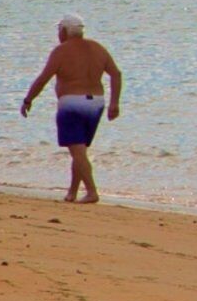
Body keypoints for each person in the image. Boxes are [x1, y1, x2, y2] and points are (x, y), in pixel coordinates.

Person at [19, 17, 124, 203]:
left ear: (64, 31)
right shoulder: (98, 48)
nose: (58, 34)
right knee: (80, 150)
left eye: (59, 30)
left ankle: (92, 192)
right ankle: (72, 192)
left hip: (72, 103)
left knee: (77, 151)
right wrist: (114, 103)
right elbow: (116, 74)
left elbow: (44, 78)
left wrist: (28, 99)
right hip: (96, 103)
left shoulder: (61, 51)